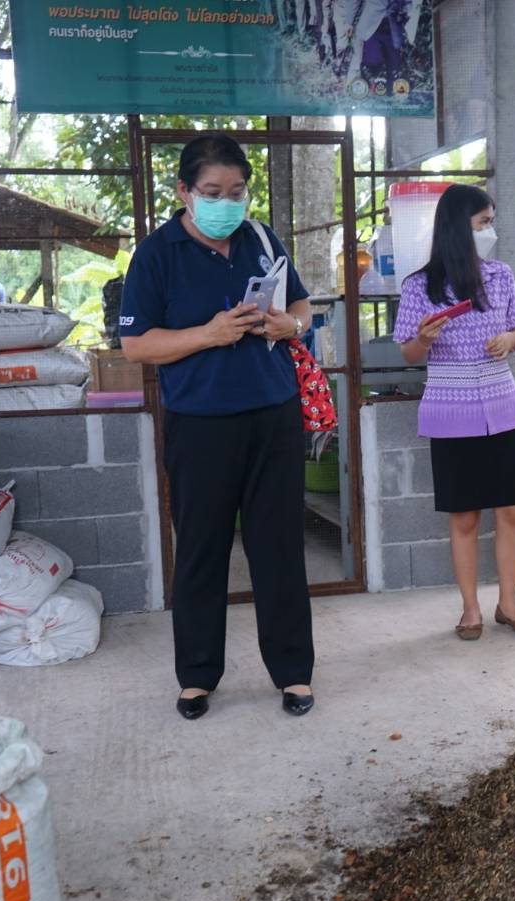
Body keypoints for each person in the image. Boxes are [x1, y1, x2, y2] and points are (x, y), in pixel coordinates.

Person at [119, 133, 317, 722]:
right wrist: (209, 333)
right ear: (184, 191)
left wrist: (291, 327)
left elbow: (302, 306)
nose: (227, 203)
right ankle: (197, 677)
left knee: (279, 548)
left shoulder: (261, 239)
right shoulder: (157, 254)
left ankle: (294, 672)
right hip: (200, 425)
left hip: (273, 414)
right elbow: (135, 344)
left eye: (237, 191)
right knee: (202, 550)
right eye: (212, 192)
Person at [394, 184, 515, 640]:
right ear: (459, 227)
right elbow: (409, 353)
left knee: (512, 510)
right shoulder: (419, 286)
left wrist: (510, 341)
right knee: (465, 515)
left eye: (490, 222)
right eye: (483, 223)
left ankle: (509, 604)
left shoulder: (499, 276)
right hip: (451, 409)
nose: (489, 231)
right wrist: (425, 338)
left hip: (501, 404)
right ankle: (470, 609)